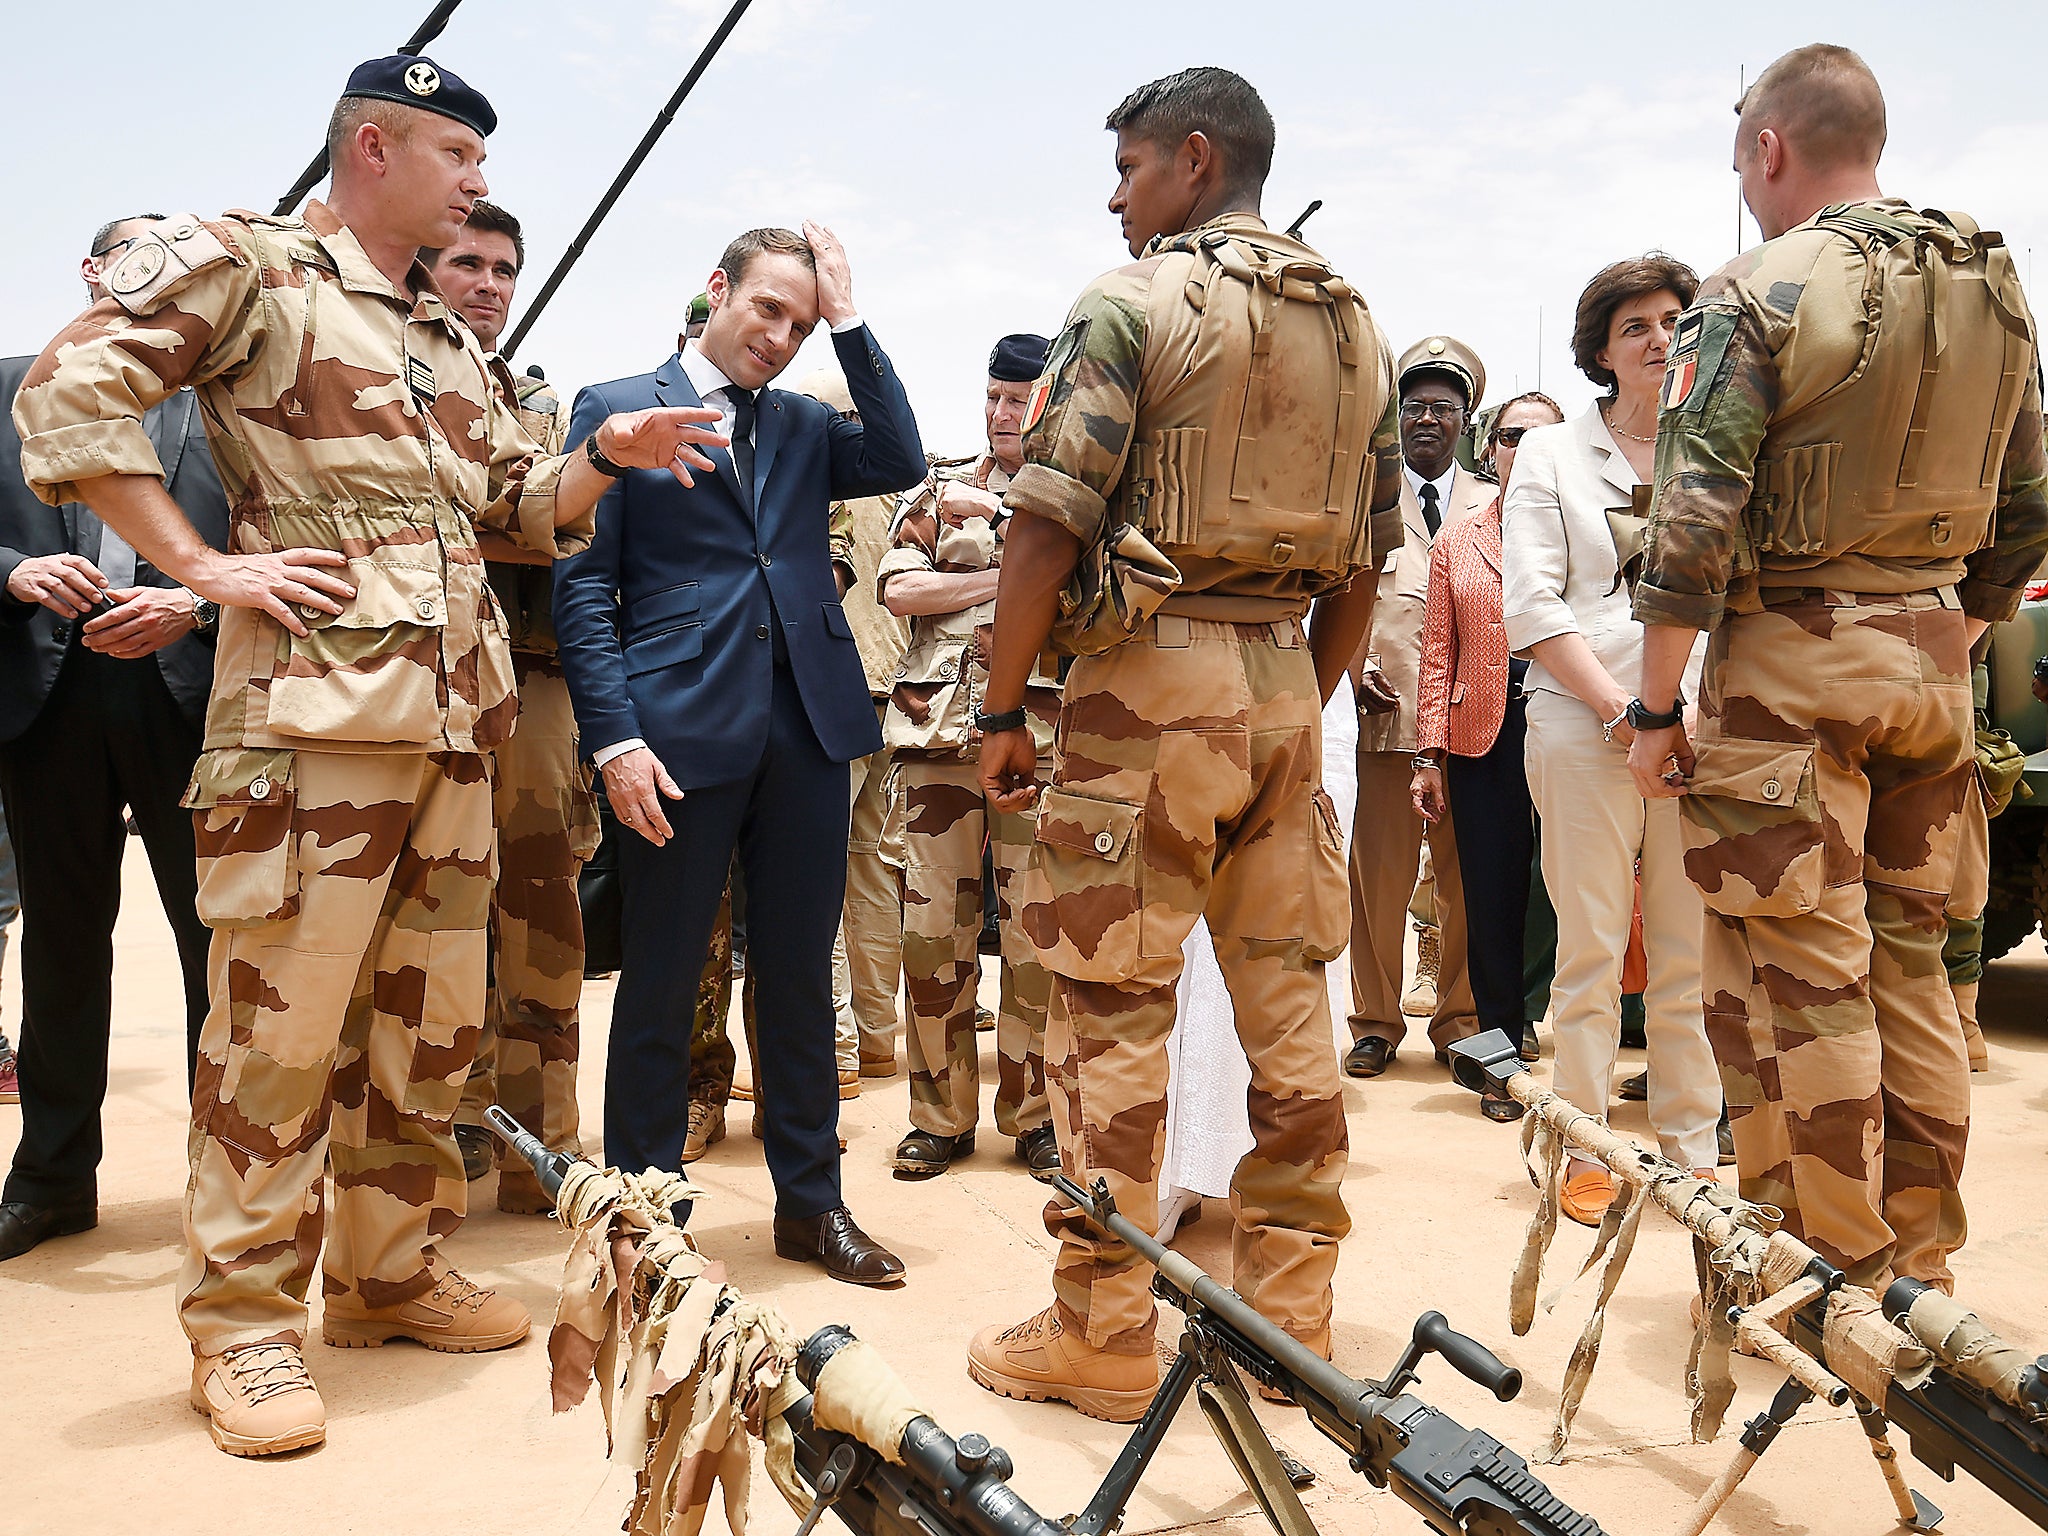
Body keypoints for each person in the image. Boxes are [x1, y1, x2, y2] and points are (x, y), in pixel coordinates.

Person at [11, 55, 728, 1456]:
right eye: (459, 155)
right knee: (276, 1034)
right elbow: (69, 394)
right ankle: (244, 1325)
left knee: (428, 1027)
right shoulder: (254, 267)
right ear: (377, 146)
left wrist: (606, 455)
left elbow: (512, 506)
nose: (478, 183)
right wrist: (201, 561)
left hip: (457, 730)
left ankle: (388, 1271)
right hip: (310, 738)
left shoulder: (441, 336)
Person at [966, 66, 1397, 1422]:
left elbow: (1042, 522)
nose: (1116, 195)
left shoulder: (1132, 302)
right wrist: (1295, 698)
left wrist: (998, 710)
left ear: (1195, 163)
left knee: (1109, 1018)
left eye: (1132, 168)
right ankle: (1293, 1326)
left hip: (1149, 691)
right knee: (1290, 1017)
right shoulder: (1353, 321)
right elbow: (1370, 561)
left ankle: (1101, 1327)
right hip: (1282, 681)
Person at [1629, 44, 2048, 1291]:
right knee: (1913, 967)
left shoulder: (1754, 291)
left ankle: (1825, 1271)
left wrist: (1655, 710)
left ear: (1768, 148)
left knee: (1792, 975)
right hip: (1929, 660)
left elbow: (1691, 524)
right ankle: (1917, 1261)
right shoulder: (1990, 289)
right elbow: (2026, 507)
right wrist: (1944, 633)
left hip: (1785, 671)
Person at [554, 225, 925, 1287]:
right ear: (715, 288)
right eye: (767, 308)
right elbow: (584, 584)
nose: (780, 336)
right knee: (662, 979)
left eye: (800, 323)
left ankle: (811, 1207)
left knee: (800, 978)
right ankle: (642, 1219)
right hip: (674, 732)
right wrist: (613, 736)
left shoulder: (807, 423)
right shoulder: (616, 408)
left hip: (805, 728)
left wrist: (848, 321)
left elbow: (898, 454)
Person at [0, 214, 228, 1262]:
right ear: (92, 273)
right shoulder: (12, 383)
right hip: (47, 701)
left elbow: (274, 540)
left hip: (184, 700)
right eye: (131, 261)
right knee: (59, 942)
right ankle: (50, 1182)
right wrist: (12, 571)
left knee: (213, 949)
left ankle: (223, 1190)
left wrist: (199, 606)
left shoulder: (223, 401)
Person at [1502, 254, 1722, 1224]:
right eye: (1633, 323)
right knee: (1589, 949)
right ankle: (1582, 1146)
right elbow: (1531, 602)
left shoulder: (1715, 444)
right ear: (1599, 347)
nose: (1657, 334)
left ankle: (1687, 1154)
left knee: (1688, 955)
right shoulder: (1551, 456)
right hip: (1582, 722)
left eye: (1674, 317)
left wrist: (1679, 717)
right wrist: (1621, 713)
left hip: (1697, 731)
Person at [425, 201, 604, 1212]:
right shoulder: (391, 382)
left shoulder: (542, 408)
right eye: (466, 263)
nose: (487, 284)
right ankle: (440, 1147)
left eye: (502, 268)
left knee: (540, 912)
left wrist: (465, 524)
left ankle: (546, 1154)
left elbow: (569, 532)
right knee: (431, 923)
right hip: (419, 686)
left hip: (532, 685)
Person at [877, 333, 1060, 1180]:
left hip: (1038, 738)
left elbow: (1095, 590)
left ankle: (1034, 1115)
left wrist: (1017, 548)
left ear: (1050, 401)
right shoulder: (941, 489)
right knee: (929, 934)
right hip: (935, 737)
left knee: (1035, 939)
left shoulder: (1072, 499)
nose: (1001, 413)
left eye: (1018, 399)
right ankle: (937, 1117)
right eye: (992, 396)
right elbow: (899, 589)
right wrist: (1009, 582)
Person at [1411, 392, 1565, 1122]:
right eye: (1510, 437)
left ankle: (1579, 1060)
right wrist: (1427, 755)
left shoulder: (1592, 529)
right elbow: (1438, 653)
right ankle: (1502, 1056)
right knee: (1492, 899)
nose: (1524, 451)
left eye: (1542, 438)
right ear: (1489, 447)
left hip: (1575, 723)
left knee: (1577, 893)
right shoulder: (1459, 539)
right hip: (1484, 734)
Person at [1344, 337, 1487, 1080]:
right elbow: (1335, 597)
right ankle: (1374, 1020)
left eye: (1443, 407)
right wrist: (1350, 671)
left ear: (1467, 420)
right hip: (1387, 720)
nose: (1427, 418)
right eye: (1414, 406)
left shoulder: (1494, 504)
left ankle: (1459, 1021)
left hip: (1473, 725)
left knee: (1465, 881)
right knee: (1378, 880)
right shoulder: (1363, 496)